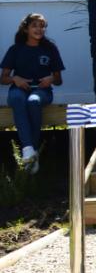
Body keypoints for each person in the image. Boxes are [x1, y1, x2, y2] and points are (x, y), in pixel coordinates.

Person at [1, 13, 64, 174]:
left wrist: (50, 78)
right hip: (19, 89)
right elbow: (3, 78)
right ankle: (29, 149)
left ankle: (31, 150)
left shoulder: (50, 49)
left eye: (42, 26)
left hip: (42, 91)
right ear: (26, 29)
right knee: (16, 98)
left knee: (33, 101)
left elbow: (58, 80)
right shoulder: (15, 49)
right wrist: (16, 79)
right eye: (35, 25)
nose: (39, 29)